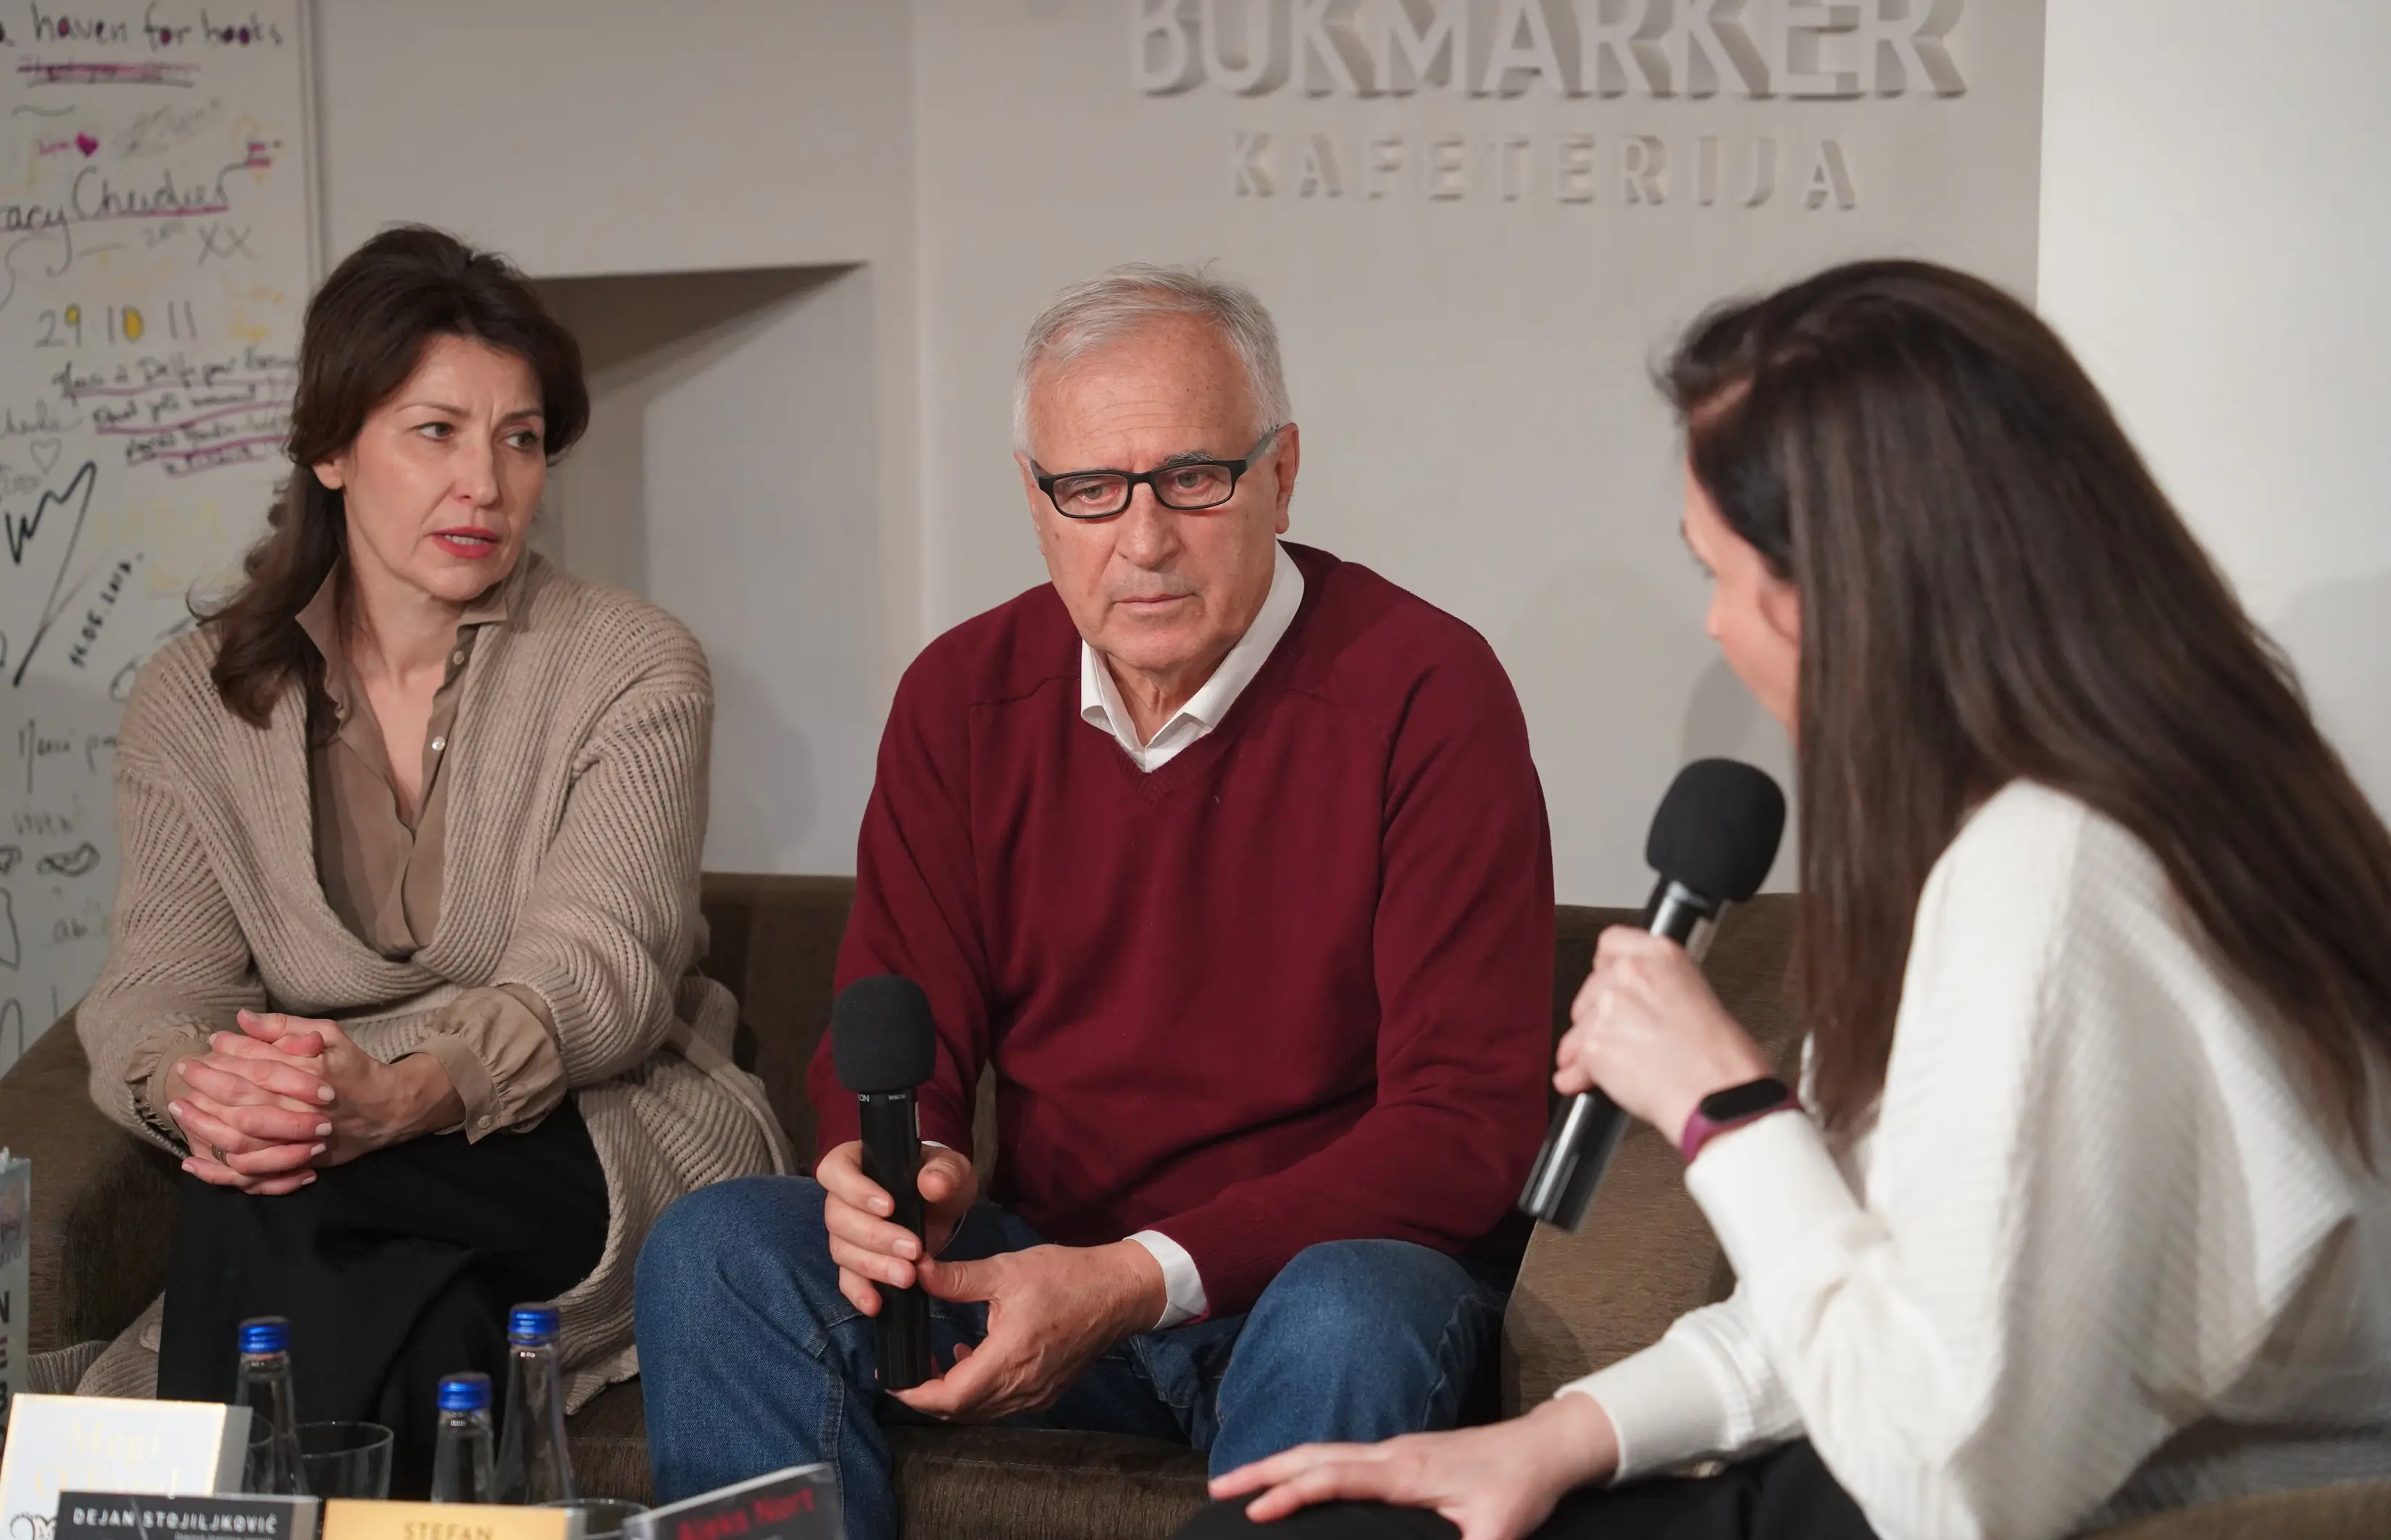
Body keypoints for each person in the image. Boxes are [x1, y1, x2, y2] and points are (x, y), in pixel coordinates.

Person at [1188, 259, 2391, 1540]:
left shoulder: (2054, 872)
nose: (1715, 627)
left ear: (1849, 589)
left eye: (1720, 572)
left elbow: (1951, 1483)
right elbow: (1858, 1304)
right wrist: (1555, 1438)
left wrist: (1721, 1104)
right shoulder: (2141, 811)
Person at [635, 264, 1555, 1535]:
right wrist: (905, 1168)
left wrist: (1138, 1278)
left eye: (1194, 478)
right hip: (1048, 1269)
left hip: (1316, 1289)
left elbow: (1462, 1131)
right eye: (1092, 490)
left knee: (1351, 1309)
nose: (1145, 539)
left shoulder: (1426, 692)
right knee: (719, 1252)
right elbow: (898, 1024)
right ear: (1036, 501)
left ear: (1282, 474)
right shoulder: (963, 696)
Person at [75, 225, 788, 1495]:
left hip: (589, 1126)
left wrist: (393, 1099)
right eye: (437, 432)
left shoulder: (630, 664)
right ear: (331, 448)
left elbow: (600, 974)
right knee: (401, 1296)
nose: (486, 484)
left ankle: (190, 1513)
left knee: (273, 1201)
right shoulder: (197, 700)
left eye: (521, 439)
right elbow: (158, 985)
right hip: (342, 1156)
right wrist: (209, 1094)